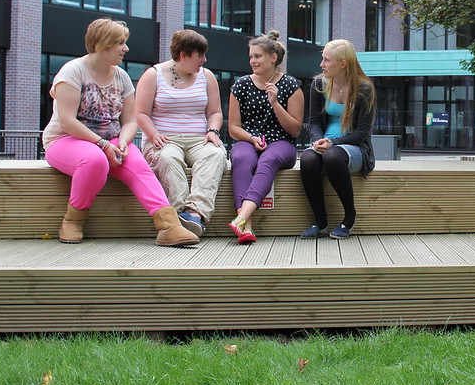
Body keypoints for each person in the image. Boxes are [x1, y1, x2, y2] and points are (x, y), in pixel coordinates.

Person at [42, 18, 200, 247]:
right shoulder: (73, 71)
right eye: (120, 42)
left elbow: (129, 120)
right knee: (94, 160)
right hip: (66, 140)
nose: (126, 48)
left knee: (138, 164)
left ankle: (169, 226)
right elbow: (67, 121)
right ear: (102, 44)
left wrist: (124, 142)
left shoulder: (122, 76)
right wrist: (103, 145)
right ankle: (73, 221)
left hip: (111, 140)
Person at [135, 29, 227, 237]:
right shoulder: (153, 75)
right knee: (168, 158)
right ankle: (177, 215)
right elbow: (141, 113)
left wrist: (213, 130)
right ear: (183, 55)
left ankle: (195, 214)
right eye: (199, 55)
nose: (204, 59)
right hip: (164, 139)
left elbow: (215, 112)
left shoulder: (207, 76)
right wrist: (153, 134)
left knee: (214, 155)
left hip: (199, 139)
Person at [227, 31, 304, 244]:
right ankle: (246, 226)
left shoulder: (290, 85)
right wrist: (251, 139)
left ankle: (242, 216)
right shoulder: (241, 85)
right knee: (242, 159)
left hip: (281, 142)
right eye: (251, 56)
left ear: (273, 58)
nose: (253, 61)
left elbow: (295, 129)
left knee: (268, 160)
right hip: (247, 140)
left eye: (258, 56)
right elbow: (233, 127)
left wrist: (275, 103)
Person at [299, 39, 376, 240]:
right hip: (325, 143)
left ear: (342, 63)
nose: (321, 64)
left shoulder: (364, 89)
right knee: (307, 159)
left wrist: (332, 143)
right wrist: (317, 140)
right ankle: (320, 221)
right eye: (322, 59)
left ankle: (349, 217)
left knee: (332, 156)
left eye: (327, 60)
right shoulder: (319, 84)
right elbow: (314, 122)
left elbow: (361, 133)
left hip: (354, 147)